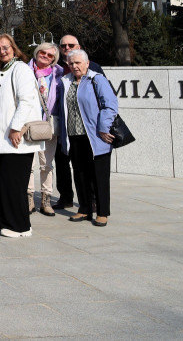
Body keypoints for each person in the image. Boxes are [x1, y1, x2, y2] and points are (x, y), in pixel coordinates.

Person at [0, 33, 44, 238]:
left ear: (13, 48)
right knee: (11, 182)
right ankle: (20, 224)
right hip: (5, 138)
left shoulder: (20, 68)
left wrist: (15, 128)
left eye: (5, 47)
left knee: (13, 183)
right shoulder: (2, 70)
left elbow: (27, 101)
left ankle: (16, 225)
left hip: (15, 137)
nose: (2, 51)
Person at [57, 50, 117, 227]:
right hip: (74, 135)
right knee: (80, 173)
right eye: (71, 63)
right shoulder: (66, 82)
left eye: (77, 63)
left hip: (96, 136)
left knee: (99, 175)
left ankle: (102, 212)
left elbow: (110, 105)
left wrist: (104, 128)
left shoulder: (97, 79)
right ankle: (84, 208)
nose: (74, 66)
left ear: (87, 63)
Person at [54, 35, 105, 210]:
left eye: (71, 45)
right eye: (63, 45)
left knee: (85, 166)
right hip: (63, 124)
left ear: (79, 46)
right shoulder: (56, 68)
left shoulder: (93, 68)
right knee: (61, 163)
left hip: (85, 127)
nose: (67, 47)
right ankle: (66, 197)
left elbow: (105, 98)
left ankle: (92, 199)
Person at [28, 42, 63, 217]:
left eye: (50, 55)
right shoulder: (25, 71)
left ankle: (46, 199)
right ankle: (28, 197)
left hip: (48, 125)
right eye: (43, 52)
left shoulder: (59, 74)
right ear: (37, 52)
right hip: (28, 124)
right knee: (28, 164)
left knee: (47, 165)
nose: (46, 57)